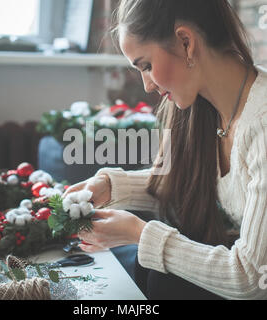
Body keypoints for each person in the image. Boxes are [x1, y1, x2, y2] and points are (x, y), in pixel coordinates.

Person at [63, 0, 267, 300]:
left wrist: (139, 233)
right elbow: (184, 184)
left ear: (186, 42)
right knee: (155, 274)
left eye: (146, 65)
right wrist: (110, 186)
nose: (147, 85)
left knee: (162, 279)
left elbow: (252, 278)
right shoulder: (206, 108)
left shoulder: (261, 124)